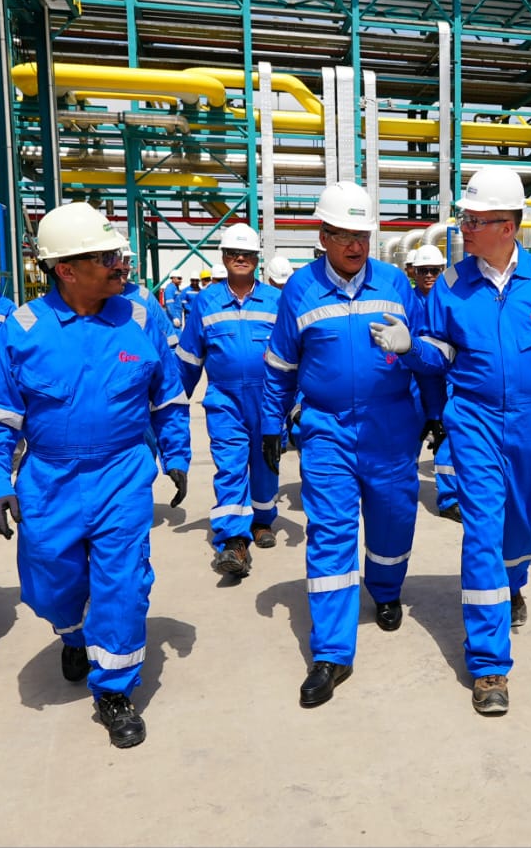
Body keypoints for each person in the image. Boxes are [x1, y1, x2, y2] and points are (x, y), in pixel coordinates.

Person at [0, 201, 184, 749]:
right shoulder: (23, 330)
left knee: (123, 584)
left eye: (118, 255)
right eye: (106, 257)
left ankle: (114, 689)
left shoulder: (142, 318)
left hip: (122, 474)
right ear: (65, 269)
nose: (120, 265)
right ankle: (72, 632)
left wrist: (177, 454)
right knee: (48, 583)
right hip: (50, 478)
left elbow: (168, 400)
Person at [399, 166, 531, 716]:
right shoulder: (450, 284)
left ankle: (512, 584)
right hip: (476, 420)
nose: (464, 228)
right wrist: (410, 348)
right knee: (482, 530)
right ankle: (489, 663)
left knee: (524, 526)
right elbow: (438, 353)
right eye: (465, 219)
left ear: (507, 227)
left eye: (475, 221)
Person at [259, 181, 438, 709]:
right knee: (331, 533)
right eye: (343, 235)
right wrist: (271, 426)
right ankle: (332, 653)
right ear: (323, 236)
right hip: (327, 430)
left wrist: (434, 411)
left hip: (391, 426)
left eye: (363, 235)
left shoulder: (395, 283)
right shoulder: (300, 290)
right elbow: (280, 366)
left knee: (393, 519)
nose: (356, 245)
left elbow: (425, 352)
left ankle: (385, 590)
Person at [175, 222, 282, 576]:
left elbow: (292, 355)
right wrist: (170, 404)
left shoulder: (275, 301)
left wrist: (295, 402)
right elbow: (189, 359)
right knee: (231, 464)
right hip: (224, 400)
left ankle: (262, 520)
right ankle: (234, 541)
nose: (240, 258)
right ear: (223, 257)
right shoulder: (206, 302)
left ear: (257, 259)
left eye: (247, 253)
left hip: (268, 399)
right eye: (234, 253)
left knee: (266, 462)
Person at [122, 256, 193, 501]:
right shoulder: (36, 325)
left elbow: (169, 349)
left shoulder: (141, 302)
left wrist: (176, 457)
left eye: (125, 261)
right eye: (112, 259)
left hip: (138, 407)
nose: (122, 267)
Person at [410, 244, 458, 521]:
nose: (429, 275)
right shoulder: (407, 302)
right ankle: (403, 489)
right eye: (423, 270)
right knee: (410, 440)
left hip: (446, 379)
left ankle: (449, 499)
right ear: (413, 272)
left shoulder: (450, 300)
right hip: (413, 383)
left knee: (446, 437)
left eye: (434, 270)